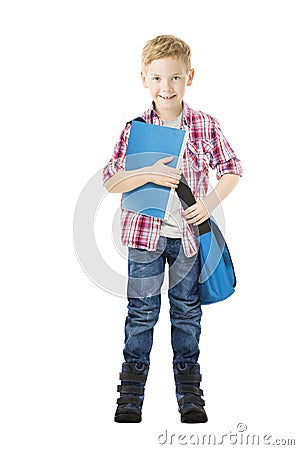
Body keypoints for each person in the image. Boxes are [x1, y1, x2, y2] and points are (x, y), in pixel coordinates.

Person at [102, 35, 243, 423]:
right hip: (144, 238)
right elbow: (110, 180)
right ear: (144, 79)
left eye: (176, 78)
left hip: (187, 240)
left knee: (186, 312)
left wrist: (206, 205)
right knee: (142, 312)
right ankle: (131, 391)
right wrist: (149, 172)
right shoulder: (135, 128)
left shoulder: (204, 124)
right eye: (158, 78)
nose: (167, 87)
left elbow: (232, 169)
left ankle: (189, 391)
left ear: (190, 77)